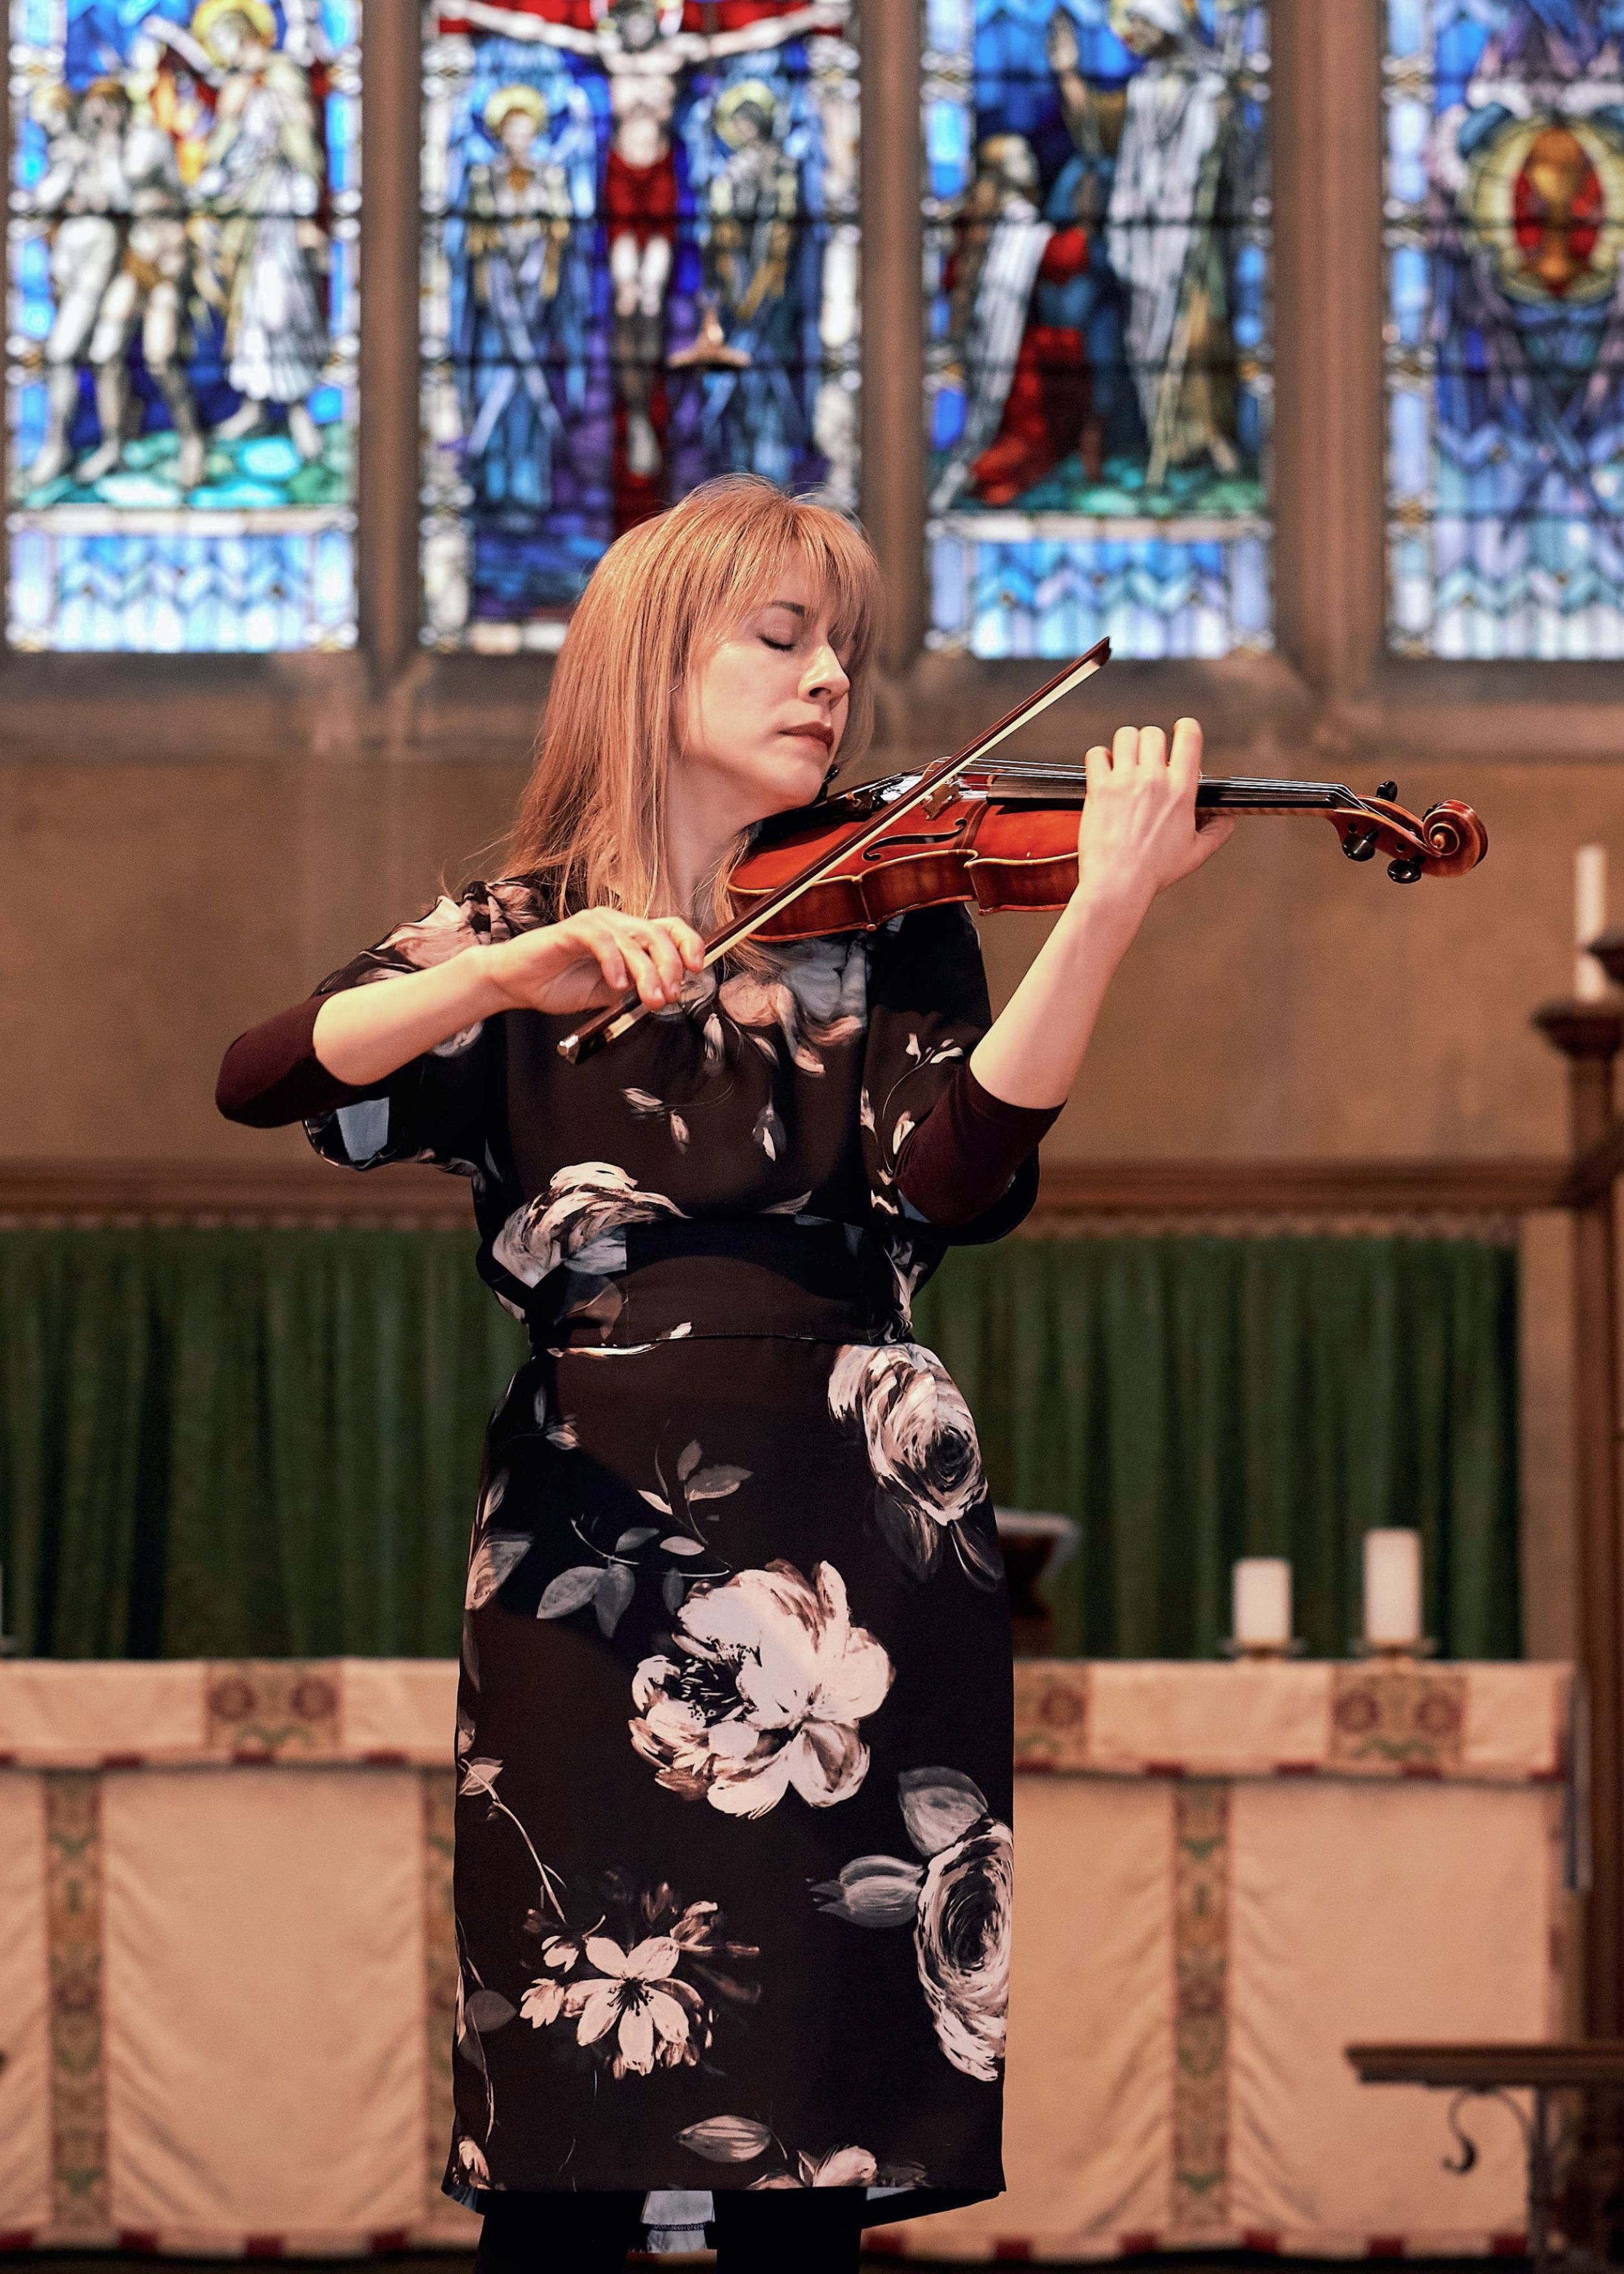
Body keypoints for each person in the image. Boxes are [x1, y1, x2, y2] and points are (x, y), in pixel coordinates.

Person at [216, 474, 1231, 2272]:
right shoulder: (509, 934)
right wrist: (495, 972)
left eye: (840, 645)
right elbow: (271, 1072)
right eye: (781, 636)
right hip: (587, 1540)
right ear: (649, 657)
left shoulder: (895, 915)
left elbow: (950, 1174)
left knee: (805, 2139)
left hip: (854, 1513)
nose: (827, 678)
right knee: (572, 2116)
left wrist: (1106, 911)